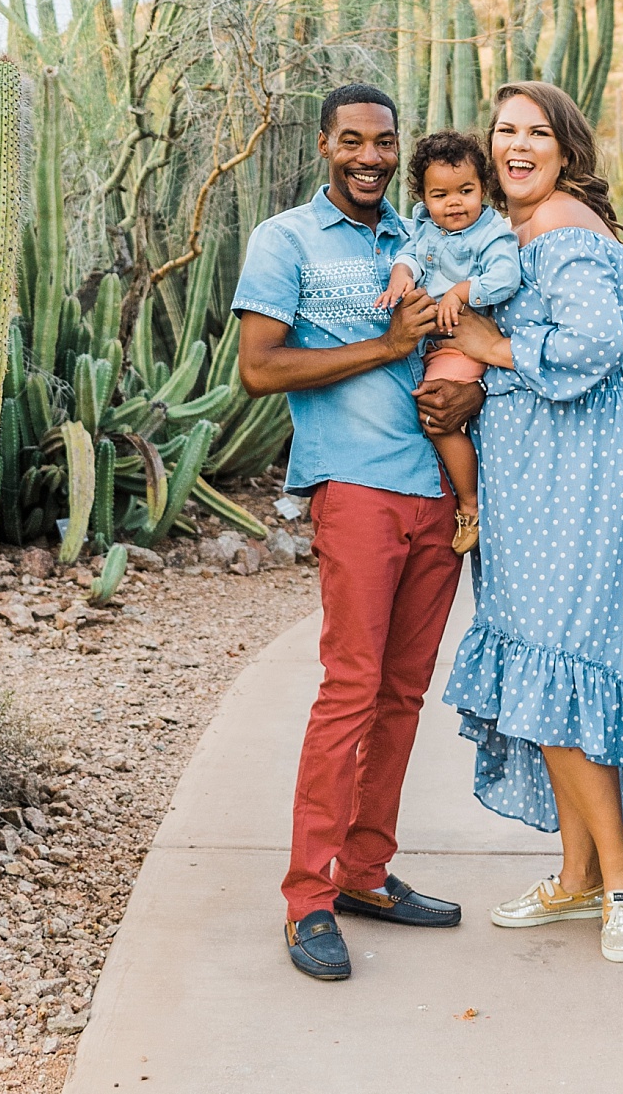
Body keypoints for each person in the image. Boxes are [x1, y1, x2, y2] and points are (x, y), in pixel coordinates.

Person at [443, 81, 623, 965]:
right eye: (505, 131)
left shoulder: (561, 230)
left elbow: (592, 345)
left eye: (536, 133)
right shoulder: (516, 230)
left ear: (566, 147)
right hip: (537, 468)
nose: (517, 145)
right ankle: (577, 874)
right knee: (542, 655)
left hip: (583, 466)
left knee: (561, 656)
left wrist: (494, 347)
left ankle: (622, 877)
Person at [234, 83, 485, 983]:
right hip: (357, 489)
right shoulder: (286, 239)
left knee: (403, 694)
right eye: (353, 141)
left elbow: (472, 339)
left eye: (384, 142)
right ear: (324, 145)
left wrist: (475, 386)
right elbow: (260, 368)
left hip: (438, 496)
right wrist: (383, 346)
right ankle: (308, 897)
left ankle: (366, 873)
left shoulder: (425, 237)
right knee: (349, 688)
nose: (372, 156)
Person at [377, 130, 521, 555]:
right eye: (440, 194)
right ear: (423, 197)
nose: (454, 203)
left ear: (484, 189)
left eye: (466, 191)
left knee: (434, 415)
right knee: (429, 412)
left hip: (464, 342)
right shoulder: (425, 226)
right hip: (435, 344)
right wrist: (401, 273)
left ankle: (471, 505)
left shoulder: (491, 233)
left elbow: (505, 277)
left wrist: (461, 291)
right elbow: (410, 253)